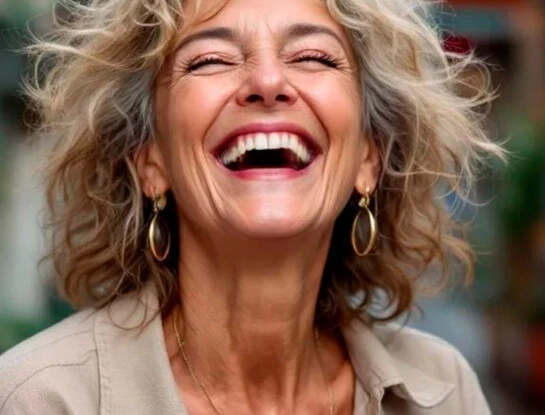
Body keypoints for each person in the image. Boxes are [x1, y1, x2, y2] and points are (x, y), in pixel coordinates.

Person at [0, 0, 503, 413]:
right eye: (210, 60)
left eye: (313, 56)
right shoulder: (39, 400)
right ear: (150, 162)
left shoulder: (445, 392)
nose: (267, 82)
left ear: (368, 159)